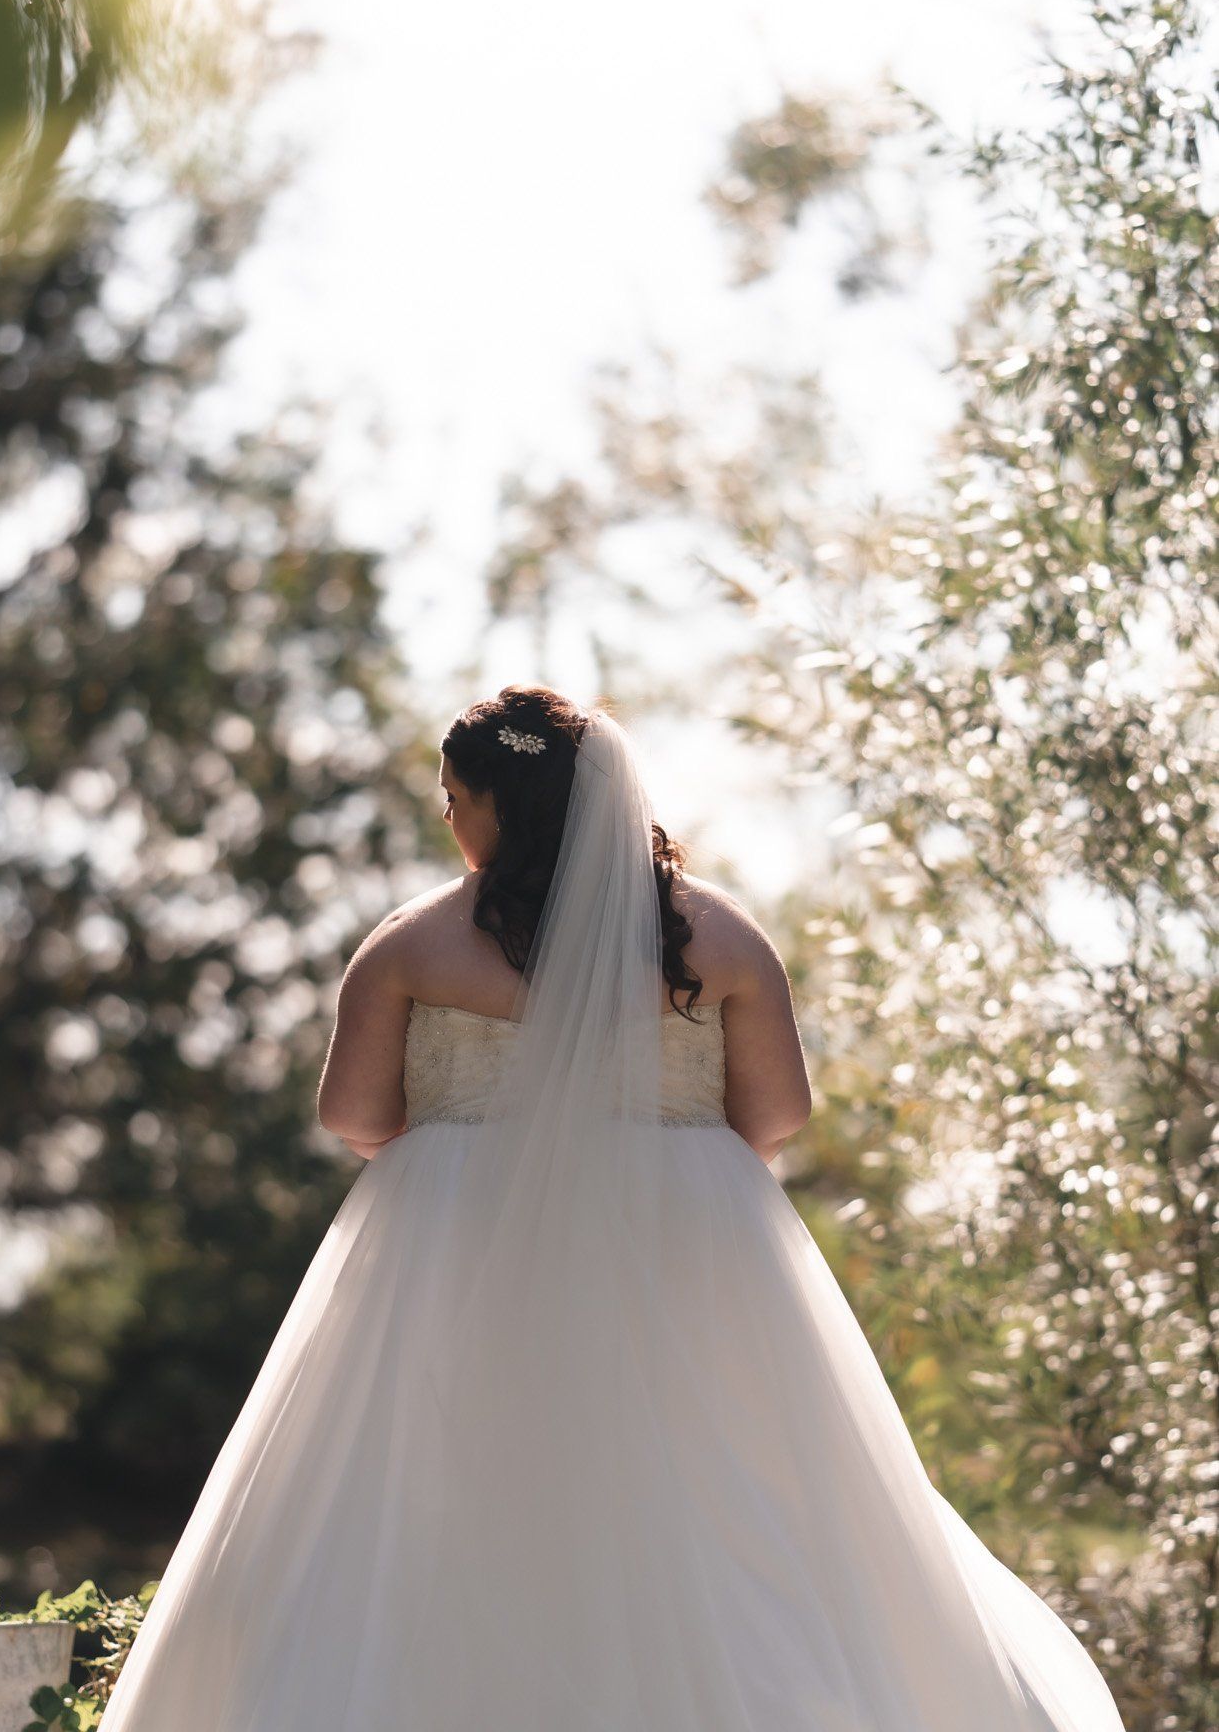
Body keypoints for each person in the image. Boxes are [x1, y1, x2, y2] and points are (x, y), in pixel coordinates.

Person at [98, 684, 1126, 1732]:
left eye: (456, 795)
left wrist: (476, 1140)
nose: (448, 816)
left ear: (502, 800)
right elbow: (775, 1114)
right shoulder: (719, 936)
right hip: (683, 1246)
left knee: (444, 1501)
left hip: (461, 1250)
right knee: (722, 1509)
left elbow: (355, 1113)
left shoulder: (411, 945)